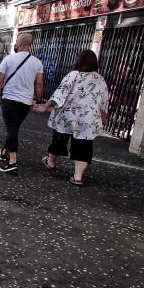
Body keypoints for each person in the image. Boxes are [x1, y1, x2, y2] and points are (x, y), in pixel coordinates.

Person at [34, 49, 108, 186]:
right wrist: (103, 117)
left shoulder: (74, 75)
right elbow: (103, 101)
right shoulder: (100, 79)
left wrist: (46, 106)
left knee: (59, 139)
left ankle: (51, 162)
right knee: (83, 146)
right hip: (88, 119)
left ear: (79, 60)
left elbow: (60, 94)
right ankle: (78, 176)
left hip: (67, 116)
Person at [0, 32, 44, 173]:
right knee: (14, 127)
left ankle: (13, 162)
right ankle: (4, 151)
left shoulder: (9, 59)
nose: (15, 43)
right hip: (25, 102)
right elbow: (39, 84)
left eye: (16, 41)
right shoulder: (37, 62)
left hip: (9, 99)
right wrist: (38, 101)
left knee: (12, 129)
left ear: (20, 44)